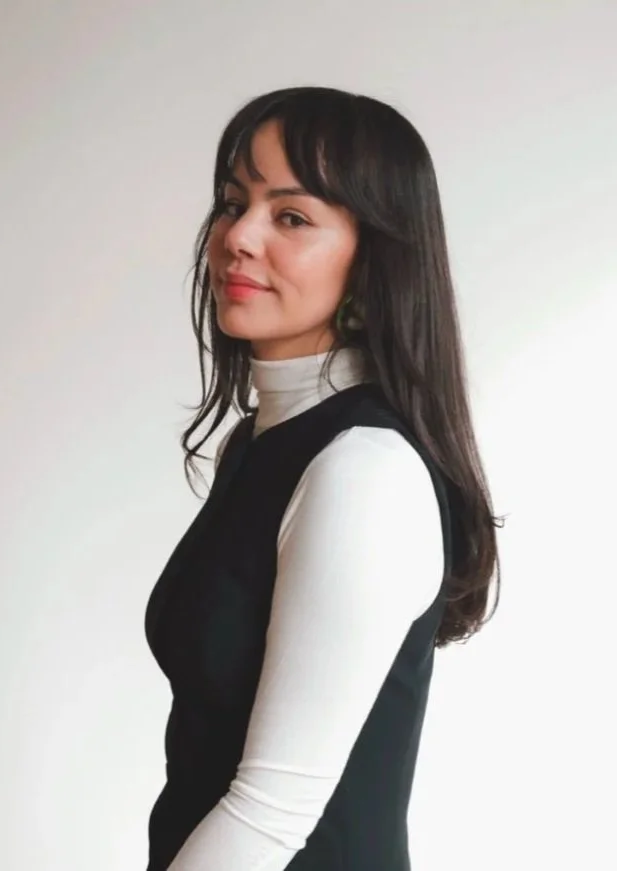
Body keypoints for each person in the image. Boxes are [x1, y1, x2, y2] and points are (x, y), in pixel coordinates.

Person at [144, 86, 502, 871]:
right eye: (232, 202)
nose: (236, 237)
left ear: (373, 255)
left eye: (291, 216)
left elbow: (271, 814)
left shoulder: (360, 471)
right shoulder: (261, 445)